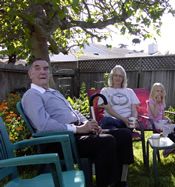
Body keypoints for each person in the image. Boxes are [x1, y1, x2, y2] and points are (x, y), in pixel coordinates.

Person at [21, 58, 134, 187]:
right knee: (107, 141)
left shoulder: (54, 92)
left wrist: (89, 124)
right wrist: (78, 129)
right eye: (37, 68)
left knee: (124, 134)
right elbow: (43, 126)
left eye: (46, 68)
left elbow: (73, 112)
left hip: (76, 133)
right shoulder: (32, 95)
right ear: (30, 74)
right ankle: (106, 184)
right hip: (60, 141)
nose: (42, 72)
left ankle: (120, 182)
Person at [98, 65, 140, 129]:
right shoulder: (105, 91)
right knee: (106, 121)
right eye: (116, 75)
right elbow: (108, 108)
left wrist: (133, 120)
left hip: (127, 122)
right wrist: (122, 119)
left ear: (123, 78)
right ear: (112, 77)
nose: (118, 78)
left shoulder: (130, 91)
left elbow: (134, 110)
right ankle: (122, 133)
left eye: (120, 76)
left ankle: (118, 133)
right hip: (112, 120)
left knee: (107, 126)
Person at [147, 82, 175, 157]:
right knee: (166, 127)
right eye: (157, 91)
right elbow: (155, 115)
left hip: (160, 123)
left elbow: (163, 116)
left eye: (161, 91)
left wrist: (167, 119)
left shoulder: (162, 104)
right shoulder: (151, 102)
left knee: (174, 126)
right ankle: (166, 149)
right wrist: (157, 103)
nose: (159, 93)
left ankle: (172, 146)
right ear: (153, 92)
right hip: (152, 122)